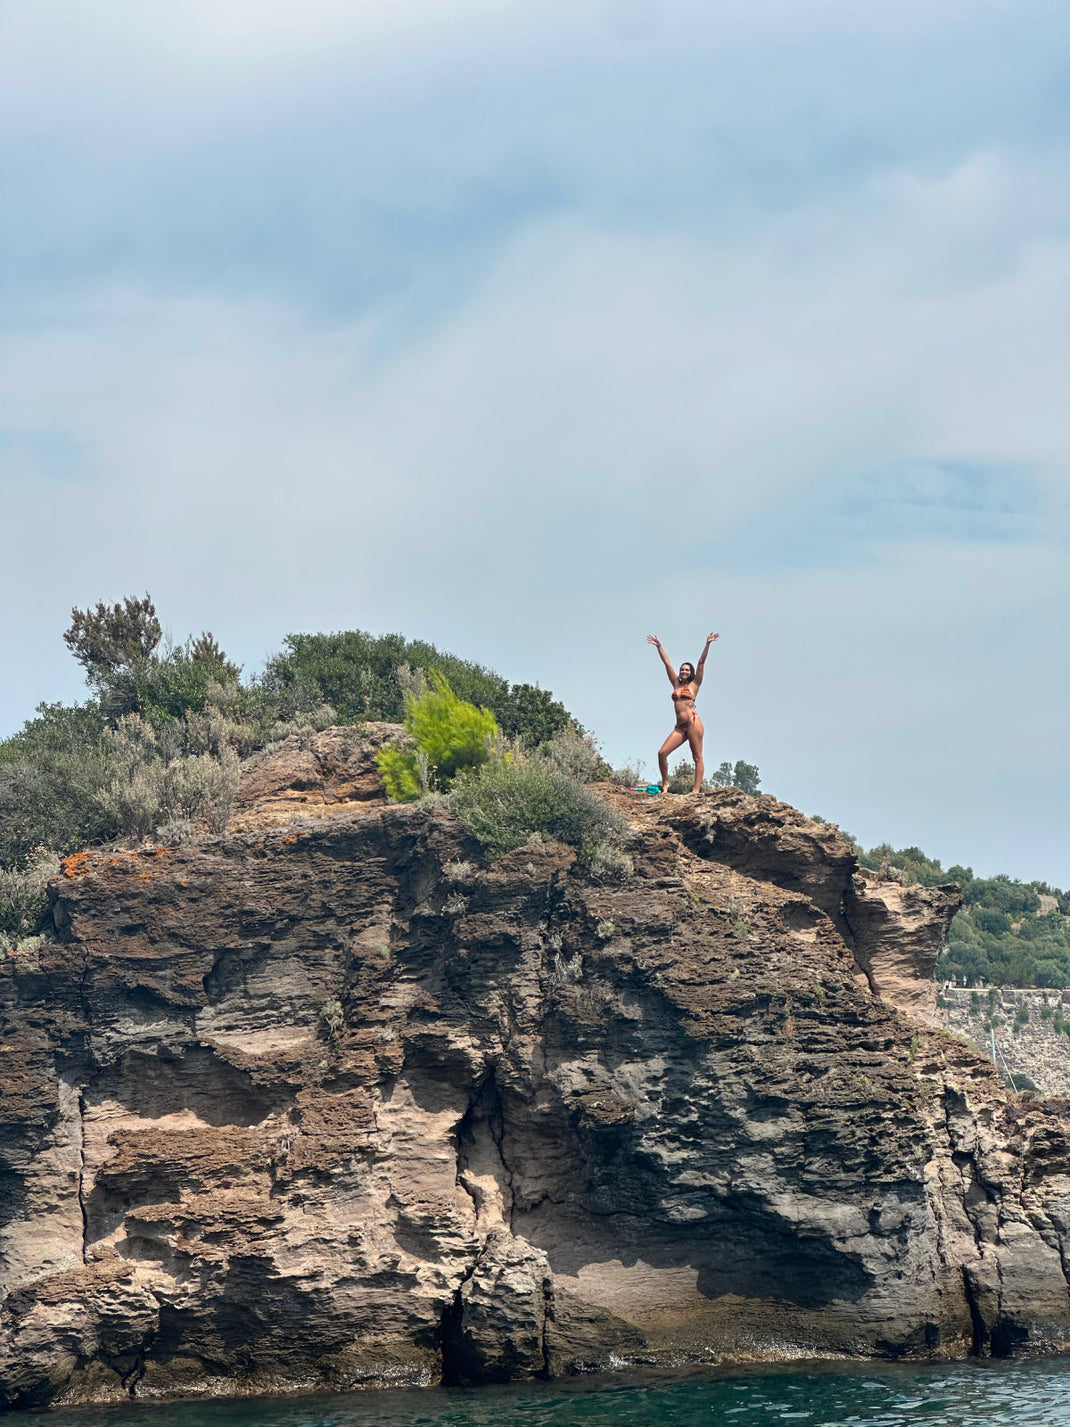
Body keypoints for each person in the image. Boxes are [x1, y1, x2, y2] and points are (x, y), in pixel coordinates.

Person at [647, 632, 719, 793]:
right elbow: (667, 664)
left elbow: (701, 663)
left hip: (693, 723)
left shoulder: (694, 685)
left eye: (687, 669)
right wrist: (659, 647)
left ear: (690, 672)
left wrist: (707, 644)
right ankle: (666, 783)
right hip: (679, 727)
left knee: (697, 757)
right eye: (682, 669)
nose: (684, 671)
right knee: (662, 753)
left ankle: (695, 790)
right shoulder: (675, 684)